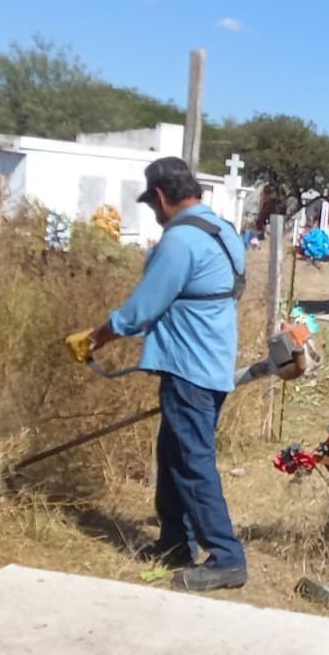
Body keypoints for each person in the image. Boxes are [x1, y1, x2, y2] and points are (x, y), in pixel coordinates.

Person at [85, 157, 250, 591]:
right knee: (174, 455)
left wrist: (95, 337)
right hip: (212, 364)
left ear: (161, 196)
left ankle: (227, 559)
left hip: (189, 368)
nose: (155, 216)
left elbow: (142, 309)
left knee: (193, 462)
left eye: (153, 206)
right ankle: (177, 542)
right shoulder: (225, 232)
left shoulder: (180, 241)